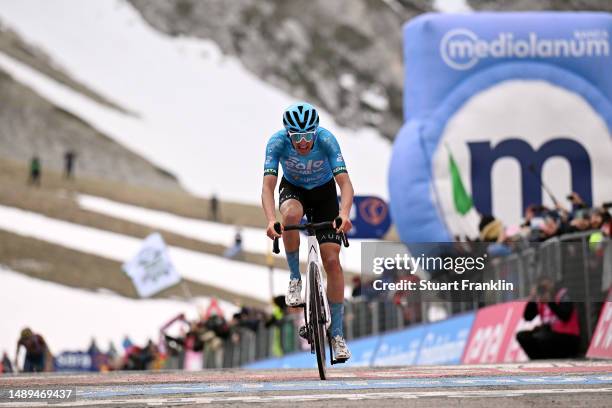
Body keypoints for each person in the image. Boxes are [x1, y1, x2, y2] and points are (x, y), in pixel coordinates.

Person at [261, 102, 354, 361]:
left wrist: (344, 214)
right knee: (290, 216)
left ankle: (336, 334)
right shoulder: (277, 142)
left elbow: (345, 184)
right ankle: (295, 279)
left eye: (307, 136)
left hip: (325, 195)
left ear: (315, 132)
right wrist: (271, 220)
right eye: (296, 137)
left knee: (332, 262)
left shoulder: (327, 140)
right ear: (287, 134)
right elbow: (268, 187)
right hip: (294, 190)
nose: (302, 142)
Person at [516, 277, 581, 359]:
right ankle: (537, 360)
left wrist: (550, 302)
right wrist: (533, 297)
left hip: (568, 336)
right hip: (549, 336)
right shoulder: (541, 299)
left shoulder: (563, 294)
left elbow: (565, 316)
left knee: (543, 337)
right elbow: (527, 317)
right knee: (522, 336)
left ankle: (553, 358)